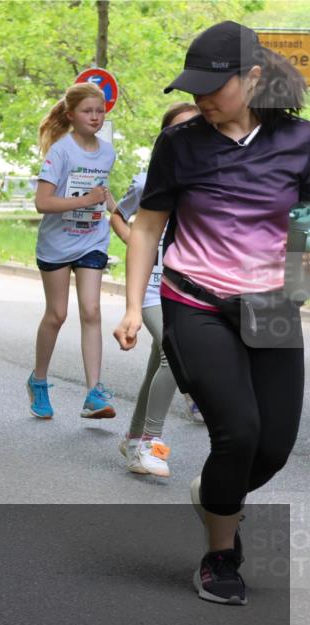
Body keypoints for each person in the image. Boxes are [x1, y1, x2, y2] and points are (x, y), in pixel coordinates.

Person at [114, 21, 308, 606]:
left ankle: (218, 493)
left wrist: (297, 290)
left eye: (211, 87)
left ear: (253, 79)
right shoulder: (181, 143)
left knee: (272, 446)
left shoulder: (301, 142)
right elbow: (147, 226)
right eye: (192, 88)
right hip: (195, 299)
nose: (199, 99)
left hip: (272, 304)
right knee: (238, 431)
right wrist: (130, 305)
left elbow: (304, 222)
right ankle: (221, 553)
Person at [110, 102, 201, 477]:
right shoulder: (149, 179)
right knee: (174, 355)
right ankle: (152, 443)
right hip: (151, 288)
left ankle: (133, 439)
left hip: (189, 286)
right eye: (179, 130)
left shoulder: (210, 180)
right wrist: (138, 245)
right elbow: (119, 214)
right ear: (166, 137)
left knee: (157, 365)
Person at [27, 82, 117, 420]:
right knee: (57, 314)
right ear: (71, 115)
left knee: (92, 311)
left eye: (99, 111)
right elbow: (43, 202)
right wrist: (85, 200)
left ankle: (94, 392)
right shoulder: (61, 152)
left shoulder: (107, 152)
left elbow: (101, 194)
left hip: (92, 238)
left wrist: (113, 207)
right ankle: (38, 381)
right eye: (87, 111)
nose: (95, 117)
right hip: (57, 243)